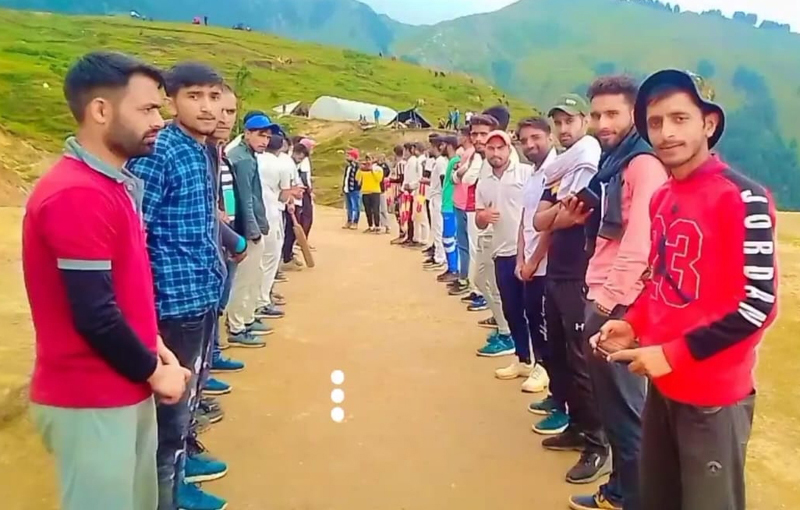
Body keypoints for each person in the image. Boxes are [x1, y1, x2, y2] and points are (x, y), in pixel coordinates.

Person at [593, 69, 777, 510]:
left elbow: (759, 305)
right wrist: (632, 324)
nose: (666, 132)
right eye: (655, 123)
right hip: (663, 387)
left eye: (679, 118)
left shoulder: (742, 197)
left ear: (708, 124)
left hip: (713, 399)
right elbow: (662, 281)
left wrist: (672, 353)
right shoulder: (663, 198)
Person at [23, 50, 187, 510]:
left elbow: (119, 287)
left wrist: (150, 340)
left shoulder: (112, 184)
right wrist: (156, 371)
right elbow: (94, 314)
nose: (161, 119)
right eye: (148, 109)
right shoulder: (77, 194)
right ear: (100, 110)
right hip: (90, 396)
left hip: (121, 384)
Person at [128, 61, 228, 510]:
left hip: (202, 292)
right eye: (194, 96)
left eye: (213, 96)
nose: (207, 107)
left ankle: (181, 470)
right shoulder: (161, 152)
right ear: (172, 100)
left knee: (191, 393)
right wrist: (145, 309)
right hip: (173, 300)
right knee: (168, 408)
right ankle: (167, 495)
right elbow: (136, 235)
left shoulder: (202, 148)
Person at [567, 76, 668, 510]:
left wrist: (606, 303)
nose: (602, 123)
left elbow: (640, 241)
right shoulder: (616, 162)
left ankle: (635, 499)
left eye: (613, 114)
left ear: (634, 115)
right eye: (596, 114)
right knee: (614, 409)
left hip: (618, 302)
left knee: (627, 414)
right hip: (605, 291)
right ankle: (621, 491)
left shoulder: (642, 164)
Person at [532, 94, 609, 485]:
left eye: (570, 121)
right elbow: (540, 218)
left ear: (584, 123)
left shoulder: (590, 165)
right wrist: (556, 216)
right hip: (556, 273)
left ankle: (599, 444)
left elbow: (574, 214)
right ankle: (578, 426)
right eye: (558, 122)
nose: (564, 129)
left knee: (583, 363)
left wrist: (555, 217)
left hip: (581, 274)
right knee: (561, 356)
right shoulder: (558, 170)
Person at [225, 114, 273, 346]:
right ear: (248, 133)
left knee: (254, 274)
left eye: (267, 136)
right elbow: (245, 198)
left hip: (249, 225)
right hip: (245, 227)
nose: (265, 140)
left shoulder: (247, 155)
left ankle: (245, 317)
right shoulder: (242, 159)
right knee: (244, 278)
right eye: (261, 135)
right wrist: (253, 229)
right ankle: (237, 326)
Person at [450, 116, 493, 296]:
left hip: (481, 211)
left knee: (482, 253)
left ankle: (480, 291)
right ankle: (478, 290)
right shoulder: (477, 157)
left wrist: (461, 171)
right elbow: (458, 178)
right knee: (475, 249)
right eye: (474, 134)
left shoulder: (484, 159)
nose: (478, 139)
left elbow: (466, 179)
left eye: (483, 134)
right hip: (472, 208)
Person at [436, 136, 462, 283]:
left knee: (449, 238)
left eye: (442, 145)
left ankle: (454, 269)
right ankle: (452, 267)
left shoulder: (455, 161)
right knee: (449, 238)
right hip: (448, 204)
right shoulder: (452, 161)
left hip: (451, 205)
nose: (440, 148)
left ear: (449, 145)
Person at [422, 138, 448, 270]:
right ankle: (438, 255)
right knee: (436, 228)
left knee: (439, 229)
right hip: (435, 197)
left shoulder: (441, 162)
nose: (430, 149)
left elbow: (443, 180)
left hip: (439, 199)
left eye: (432, 147)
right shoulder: (437, 162)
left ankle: (440, 258)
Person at [356, 154, 384, 233]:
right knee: (367, 210)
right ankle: (370, 226)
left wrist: (372, 170)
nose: (368, 161)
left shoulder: (378, 169)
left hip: (375, 191)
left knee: (375, 210)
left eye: (370, 159)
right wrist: (360, 169)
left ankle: (377, 226)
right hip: (365, 191)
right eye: (367, 159)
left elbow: (378, 179)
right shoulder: (364, 170)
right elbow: (357, 178)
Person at [342, 148, 361, 229]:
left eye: (349, 155)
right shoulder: (348, 167)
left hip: (354, 189)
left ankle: (355, 222)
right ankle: (349, 220)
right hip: (347, 189)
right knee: (349, 206)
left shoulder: (357, 167)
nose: (347, 157)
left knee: (355, 206)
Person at [377, 153, 392, 234]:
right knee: (376, 209)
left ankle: (387, 226)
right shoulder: (375, 166)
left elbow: (386, 173)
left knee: (383, 209)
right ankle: (379, 225)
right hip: (375, 189)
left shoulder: (384, 166)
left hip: (381, 189)